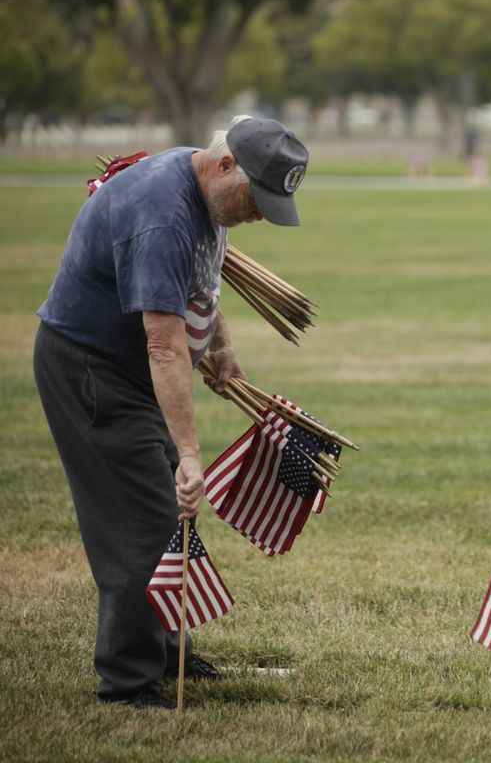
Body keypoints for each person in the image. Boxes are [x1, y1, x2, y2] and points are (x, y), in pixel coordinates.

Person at [33, 115, 309, 707]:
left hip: (131, 366)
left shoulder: (205, 187)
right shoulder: (163, 214)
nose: (258, 214)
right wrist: (189, 454)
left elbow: (201, 279)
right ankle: (129, 682)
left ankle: (167, 653)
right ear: (227, 164)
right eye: (256, 200)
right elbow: (163, 343)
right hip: (93, 369)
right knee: (145, 517)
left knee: (159, 512)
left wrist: (222, 344)